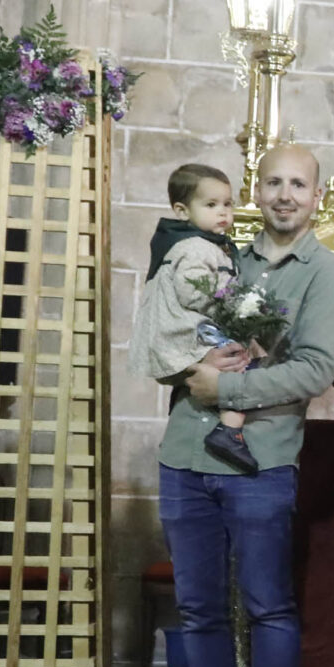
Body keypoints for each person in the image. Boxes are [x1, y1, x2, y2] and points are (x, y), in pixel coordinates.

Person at [159, 144, 334, 667]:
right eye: (273, 181)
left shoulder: (328, 273)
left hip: (263, 459)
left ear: (316, 195)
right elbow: (173, 325)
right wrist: (188, 368)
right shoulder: (221, 254)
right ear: (256, 188)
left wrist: (227, 392)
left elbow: (314, 369)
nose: (283, 194)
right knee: (198, 607)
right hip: (185, 453)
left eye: (297, 183)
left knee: (269, 604)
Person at [130, 162, 254, 472]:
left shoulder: (199, 243)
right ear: (182, 211)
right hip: (187, 329)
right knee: (241, 362)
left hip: (186, 327)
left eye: (227, 204)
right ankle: (229, 432)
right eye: (211, 205)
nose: (223, 212)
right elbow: (193, 292)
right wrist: (232, 302)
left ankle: (222, 429)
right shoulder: (197, 247)